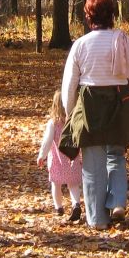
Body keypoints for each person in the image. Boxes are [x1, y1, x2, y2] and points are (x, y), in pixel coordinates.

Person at [61, 0, 129, 229]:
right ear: (112, 14)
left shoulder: (80, 45)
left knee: (92, 164)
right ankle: (118, 201)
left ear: (89, 16)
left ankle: (98, 219)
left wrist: (70, 113)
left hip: (89, 106)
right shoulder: (123, 40)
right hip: (119, 103)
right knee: (116, 156)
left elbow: (69, 83)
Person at [36, 93, 84, 222]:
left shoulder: (53, 123)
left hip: (57, 161)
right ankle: (76, 204)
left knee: (56, 184)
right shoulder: (74, 121)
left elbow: (47, 141)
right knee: (73, 185)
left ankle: (59, 207)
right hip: (72, 159)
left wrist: (42, 155)